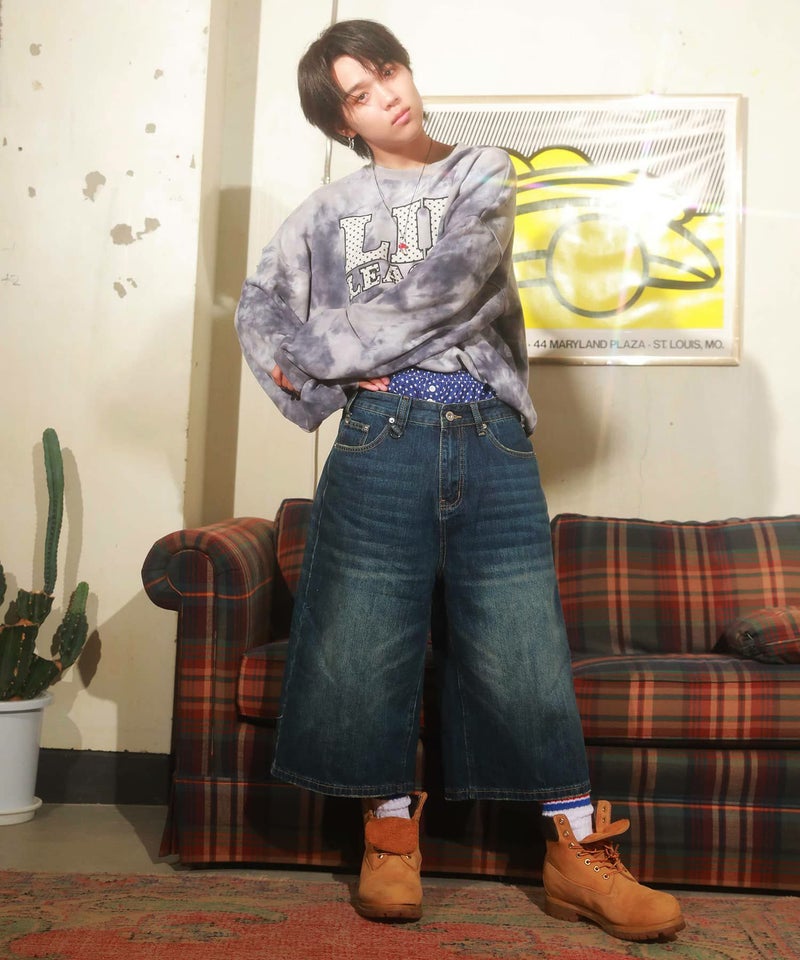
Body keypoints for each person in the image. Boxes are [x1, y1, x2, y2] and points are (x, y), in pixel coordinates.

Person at [235, 18, 684, 943]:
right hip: (381, 438)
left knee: (524, 645)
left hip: (489, 435)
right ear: (344, 122)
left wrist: (328, 349)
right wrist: (328, 383)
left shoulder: (482, 171)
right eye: (360, 94)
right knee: (367, 636)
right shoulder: (324, 212)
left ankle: (575, 855)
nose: (388, 96)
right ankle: (389, 838)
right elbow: (258, 308)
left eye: (387, 71)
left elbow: (451, 282)